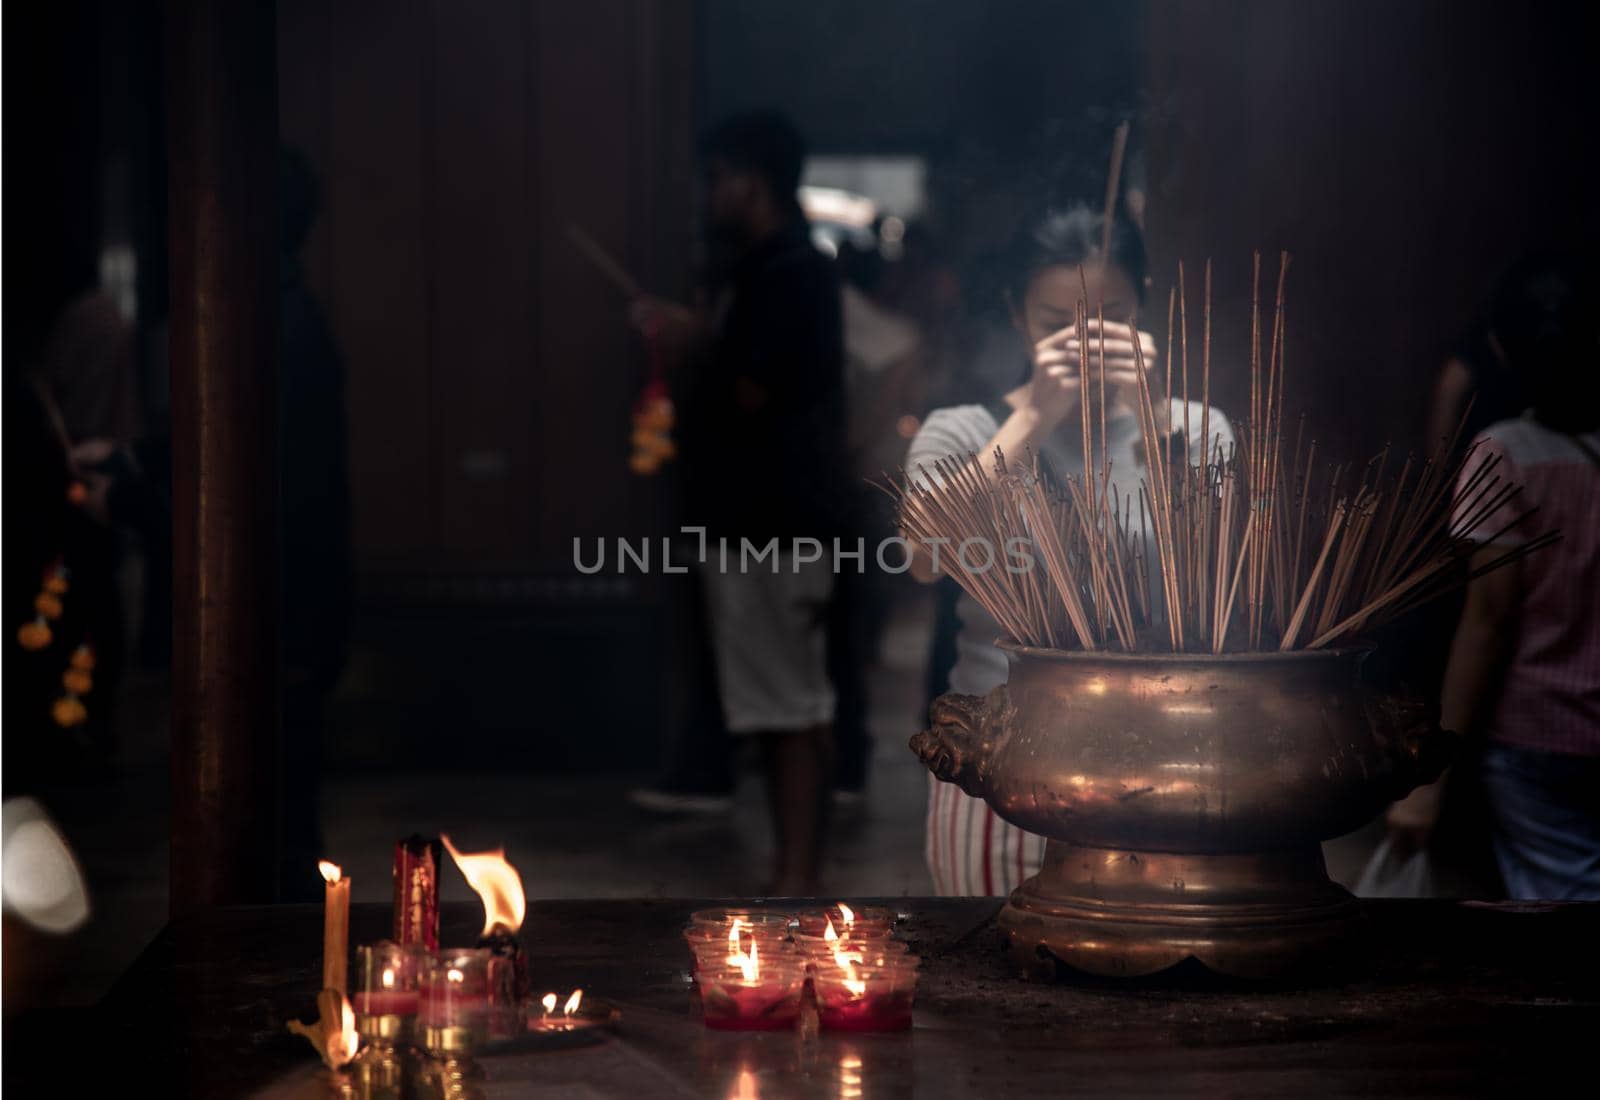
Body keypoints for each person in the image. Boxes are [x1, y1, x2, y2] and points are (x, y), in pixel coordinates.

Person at [904, 205, 1234, 896]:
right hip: (999, 759)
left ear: (1142, 310)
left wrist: (1150, 416)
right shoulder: (964, 430)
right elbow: (925, 555)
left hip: (1164, 762)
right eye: (1056, 324)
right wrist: (1033, 418)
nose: (1083, 339)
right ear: (1018, 316)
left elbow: (1222, 575)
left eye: (1111, 317)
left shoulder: (1197, 431)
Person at [628, 112, 846, 895]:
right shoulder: (768, 266)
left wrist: (694, 344)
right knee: (792, 703)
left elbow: (755, 391)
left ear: (754, 179)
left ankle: (794, 885)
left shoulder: (787, 270)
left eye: (716, 177)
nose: (707, 193)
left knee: (788, 708)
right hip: (771, 518)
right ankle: (796, 879)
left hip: (772, 520)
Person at [1387, 253, 1599, 900]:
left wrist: (1430, 783)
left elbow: (1489, 621)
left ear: (1501, 350)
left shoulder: (1502, 457)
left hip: (1536, 738)